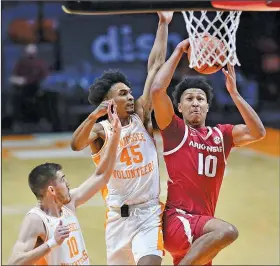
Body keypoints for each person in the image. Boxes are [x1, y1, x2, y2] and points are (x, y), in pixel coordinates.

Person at [150, 39, 266, 265]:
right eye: (189, 99)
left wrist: (234, 94)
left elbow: (258, 132)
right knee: (228, 231)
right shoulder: (175, 130)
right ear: (179, 108)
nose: (195, 103)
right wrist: (178, 51)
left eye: (200, 99)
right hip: (179, 220)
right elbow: (156, 90)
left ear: (207, 107)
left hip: (203, 229)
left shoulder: (222, 135)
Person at [70, 12, 174, 265]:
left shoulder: (140, 114)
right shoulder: (101, 130)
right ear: (109, 101)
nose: (130, 97)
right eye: (123, 93)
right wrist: (95, 115)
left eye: (130, 92)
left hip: (149, 213)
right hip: (117, 218)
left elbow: (155, 67)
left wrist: (163, 24)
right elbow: (76, 144)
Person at [8, 101, 121, 265]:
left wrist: (115, 136)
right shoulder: (36, 220)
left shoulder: (69, 203)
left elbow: (102, 175)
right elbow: (14, 262)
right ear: (51, 190)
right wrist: (52, 243)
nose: (67, 183)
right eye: (62, 180)